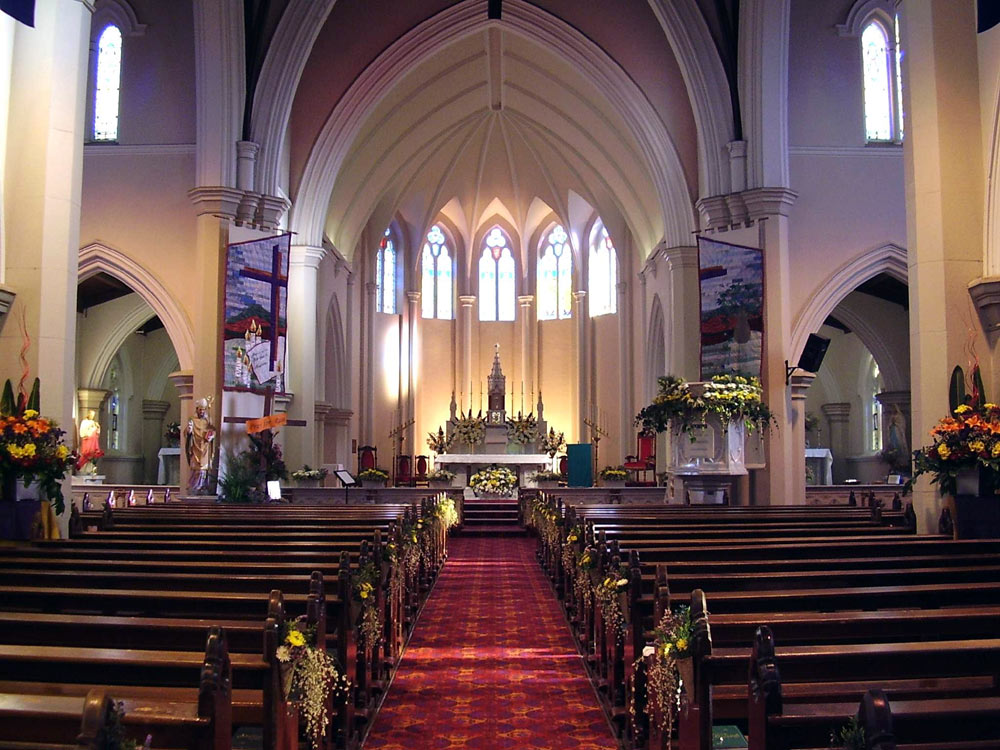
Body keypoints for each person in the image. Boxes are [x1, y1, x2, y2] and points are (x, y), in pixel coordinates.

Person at [186, 398, 216, 494]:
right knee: (195, 469)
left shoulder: (208, 421)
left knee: (204, 470)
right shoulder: (192, 420)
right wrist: (189, 431)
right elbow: (186, 433)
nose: (202, 411)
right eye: (200, 409)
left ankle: (203, 487)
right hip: (195, 447)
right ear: (197, 409)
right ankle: (194, 488)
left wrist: (211, 436)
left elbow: (213, 430)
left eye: (203, 410)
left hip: (205, 448)